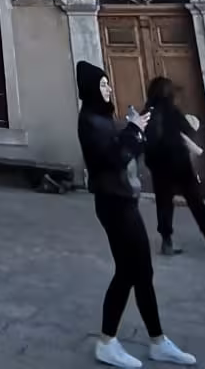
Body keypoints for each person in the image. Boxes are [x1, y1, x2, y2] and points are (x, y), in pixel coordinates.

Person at [77, 61, 197, 368]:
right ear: (91, 89)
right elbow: (113, 158)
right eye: (102, 85)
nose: (108, 89)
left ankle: (158, 341)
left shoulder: (104, 119)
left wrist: (138, 131)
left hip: (124, 200)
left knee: (142, 272)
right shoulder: (89, 121)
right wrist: (132, 131)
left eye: (108, 84)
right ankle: (106, 342)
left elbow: (125, 150)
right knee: (129, 272)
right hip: (112, 203)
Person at [144, 77, 205, 256]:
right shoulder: (171, 111)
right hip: (178, 163)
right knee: (196, 201)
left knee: (164, 204)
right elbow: (189, 130)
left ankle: (166, 243)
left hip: (158, 164)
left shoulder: (146, 112)